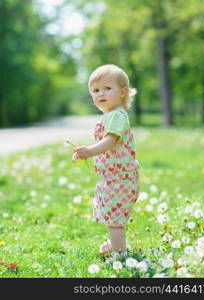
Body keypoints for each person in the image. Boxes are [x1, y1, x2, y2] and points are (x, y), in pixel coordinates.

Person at [73, 64, 140, 259]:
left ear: (123, 92)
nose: (100, 93)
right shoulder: (109, 117)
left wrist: (89, 152)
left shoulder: (118, 116)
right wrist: (83, 152)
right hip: (111, 177)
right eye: (95, 90)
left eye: (107, 88)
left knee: (114, 218)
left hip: (121, 177)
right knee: (111, 212)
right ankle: (114, 244)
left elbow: (110, 142)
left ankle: (120, 255)